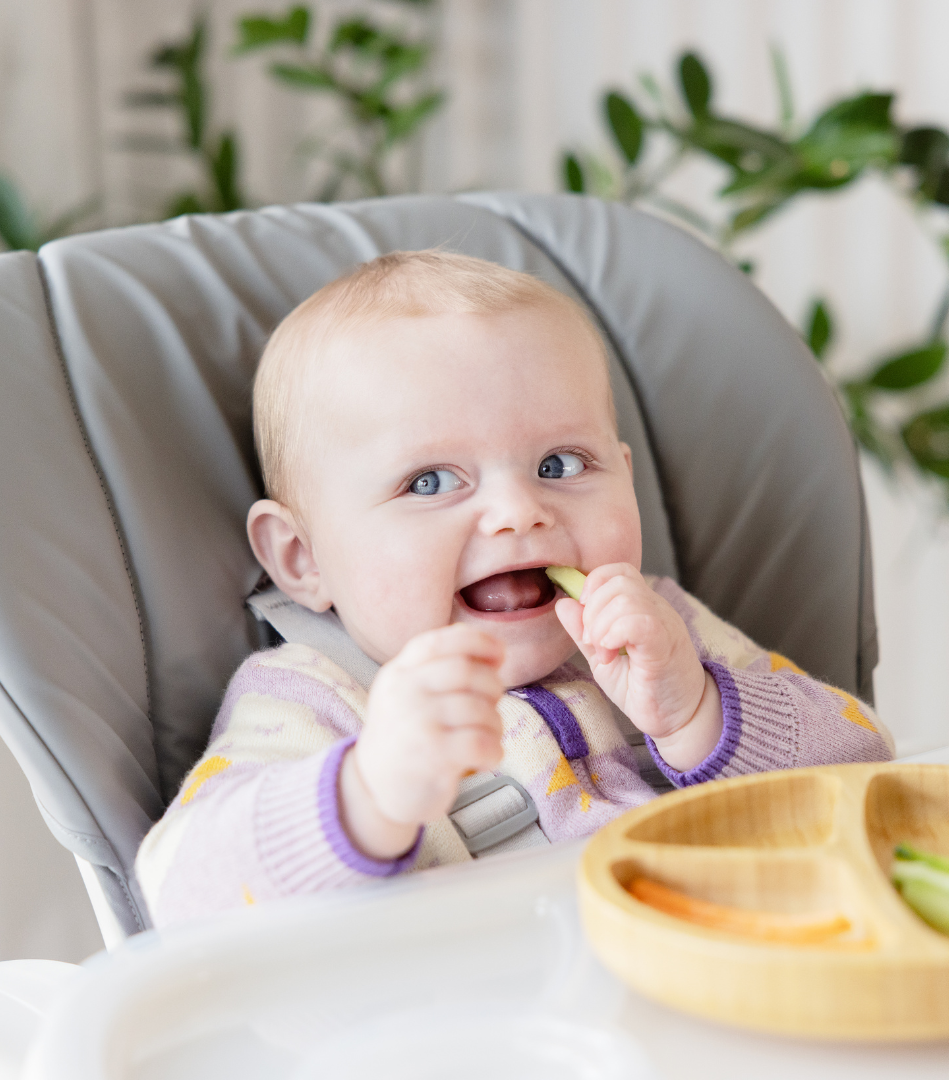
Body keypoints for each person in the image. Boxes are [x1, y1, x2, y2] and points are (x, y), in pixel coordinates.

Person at [136, 250, 892, 925]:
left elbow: (867, 771)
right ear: (303, 558)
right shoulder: (313, 699)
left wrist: (698, 712)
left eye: (560, 465)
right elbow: (179, 891)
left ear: (624, 478)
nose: (518, 511)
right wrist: (366, 794)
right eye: (430, 482)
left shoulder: (662, 632)